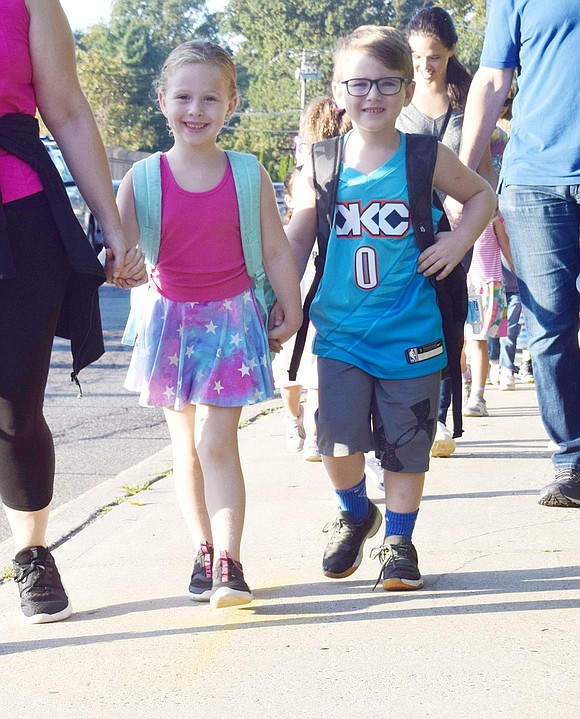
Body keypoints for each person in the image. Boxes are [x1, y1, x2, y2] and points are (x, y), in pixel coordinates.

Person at [286, 25, 495, 591]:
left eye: (387, 83)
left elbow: (482, 195)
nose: (373, 95)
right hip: (340, 334)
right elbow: (297, 242)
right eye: (359, 83)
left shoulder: (425, 156)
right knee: (336, 443)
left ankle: (399, 542)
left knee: (407, 445)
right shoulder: (321, 163)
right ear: (337, 91)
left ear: (407, 91)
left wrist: (456, 243)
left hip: (412, 329)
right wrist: (278, 303)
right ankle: (355, 510)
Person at [118, 40, 302, 608]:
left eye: (209, 98)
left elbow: (274, 250)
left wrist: (290, 304)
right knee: (187, 448)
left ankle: (229, 560)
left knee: (216, 442)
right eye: (183, 97)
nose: (194, 110)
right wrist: (118, 266)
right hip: (169, 324)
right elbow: (120, 255)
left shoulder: (247, 174)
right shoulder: (143, 179)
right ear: (162, 101)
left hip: (231, 323)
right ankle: (202, 550)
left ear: (231, 104)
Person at [1, 0, 145, 624]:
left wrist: (112, 226)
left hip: (19, 211)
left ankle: (31, 551)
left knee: (13, 406)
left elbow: (67, 113)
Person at [459, 0, 580, 508]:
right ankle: (570, 459)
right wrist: (462, 177)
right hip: (535, 179)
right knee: (548, 326)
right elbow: (491, 80)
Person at [396, 5, 495, 457]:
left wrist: (465, 227)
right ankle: (411, 412)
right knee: (414, 322)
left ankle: (439, 418)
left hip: (456, 235)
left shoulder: (466, 107)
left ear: (450, 51)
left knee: (447, 321)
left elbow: (486, 183)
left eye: (433, 56)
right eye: (416, 57)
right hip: (405, 237)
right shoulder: (397, 108)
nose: (424, 66)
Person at [276, 97, 351, 461]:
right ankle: (296, 420)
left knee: (320, 365)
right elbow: (297, 236)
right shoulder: (307, 174)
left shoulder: (352, 166)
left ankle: (322, 432)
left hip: (331, 279)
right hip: (308, 277)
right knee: (296, 365)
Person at [463, 211, 512, 416]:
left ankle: (477, 396)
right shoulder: (456, 213)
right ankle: (466, 379)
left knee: (477, 340)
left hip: (484, 287)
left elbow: (508, 251)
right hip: (459, 285)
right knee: (457, 343)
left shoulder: (493, 217)